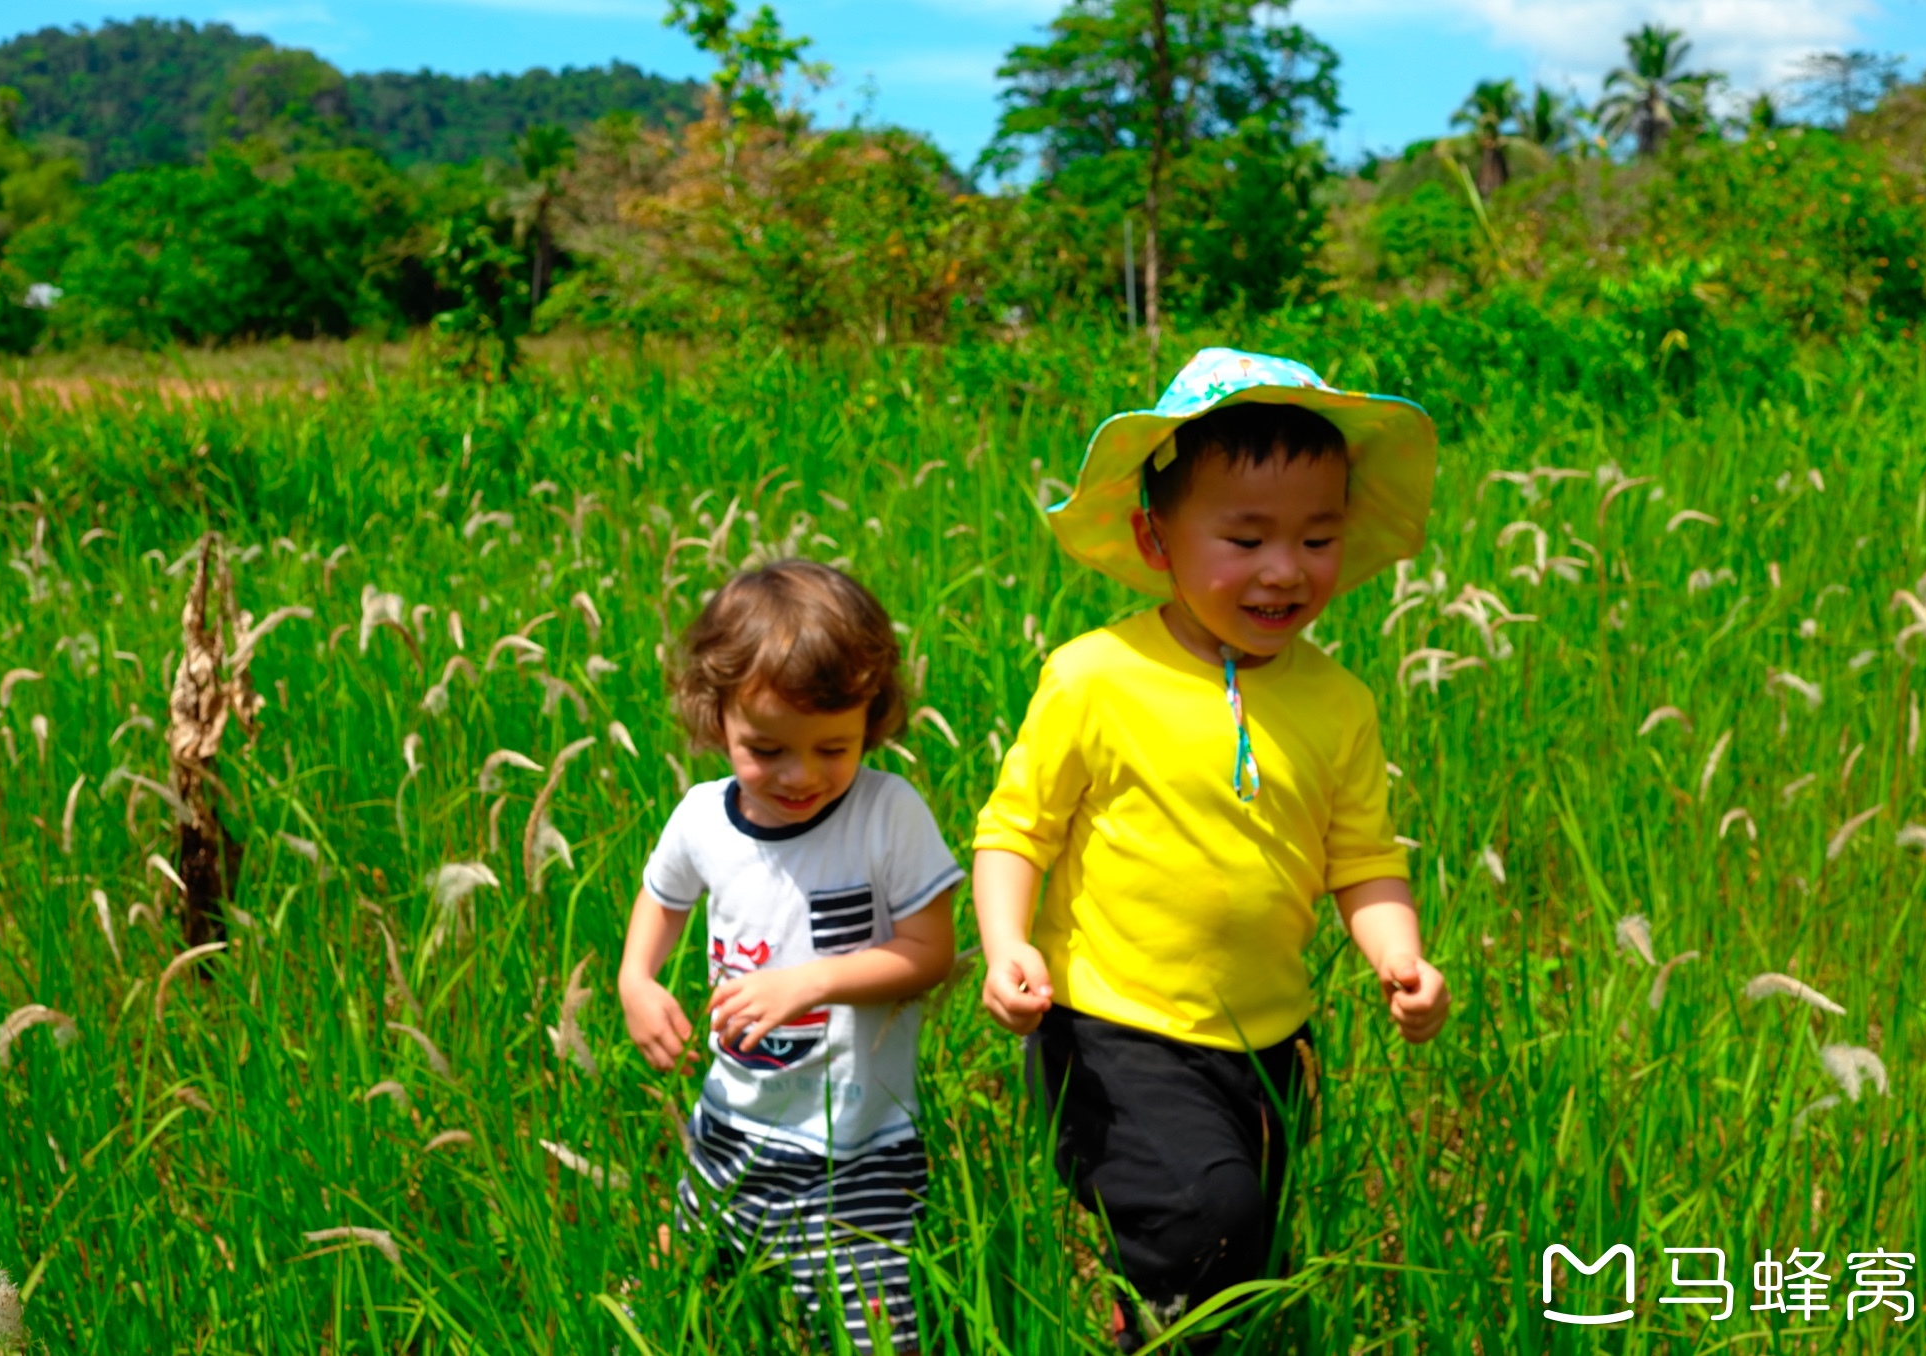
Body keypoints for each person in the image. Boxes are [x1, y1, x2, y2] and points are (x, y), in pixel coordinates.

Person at [972, 349, 1454, 1351]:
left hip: (1270, 1040)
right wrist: (1006, 941)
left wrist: (1396, 955)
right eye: (1243, 537)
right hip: (1115, 1027)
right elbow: (1015, 828)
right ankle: (1138, 1322)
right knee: (1211, 1218)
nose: (1283, 569)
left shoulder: (1336, 701)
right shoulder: (1094, 677)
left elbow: (1359, 858)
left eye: (1316, 537)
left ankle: (1145, 1308)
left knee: (1246, 1257)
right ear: (1155, 538)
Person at [619, 558, 962, 1355]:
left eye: (832, 748)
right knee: (673, 1298)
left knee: (878, 1334)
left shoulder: (887, 815)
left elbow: (931, 953)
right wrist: (637, 978)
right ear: (717, 717)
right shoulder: (704, 817)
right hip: (730, 1124)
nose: (801, 776)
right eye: (766, 749)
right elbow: (662, 896)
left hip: (857, 1146)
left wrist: (811, 981)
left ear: (871, 719)